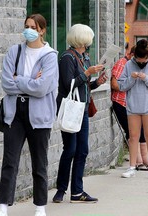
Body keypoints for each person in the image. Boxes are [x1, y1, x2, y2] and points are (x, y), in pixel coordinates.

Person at [0, 14, 59, 216]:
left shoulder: (50, 56)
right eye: (26, 26)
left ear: (42, 30)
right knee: (9, 160)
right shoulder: (14, 52)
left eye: (33, 27)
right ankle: (3, 206)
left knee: (39, 162)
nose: (28, 30)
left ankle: (40, 206)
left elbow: (42, 89)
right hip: (15, 113)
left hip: (39, 115)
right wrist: (30, 81)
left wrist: (20, 80)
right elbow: (6, 84)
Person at [52, 24, 107, 204]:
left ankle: (77, 191)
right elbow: (67, 85)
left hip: (81, 108)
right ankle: (61, 190)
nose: (91, 41)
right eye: (89, 38)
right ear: (83, 39)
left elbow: (84, 86)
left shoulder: (85, 57)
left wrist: (97, 82)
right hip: (70, 109)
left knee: (82, 150)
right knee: (70, 149)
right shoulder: (67, 57)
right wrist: (86, 73)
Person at [118, 39, 148, 179]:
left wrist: (147, 78)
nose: (140, 62)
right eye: (137, 60)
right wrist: (132, 79)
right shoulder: (129, 65)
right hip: (133, 106)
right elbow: (121, 86)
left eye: (143, 60)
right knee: (133, 137)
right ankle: (132, 167)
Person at [110, 46, 148, 168]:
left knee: (141, 130)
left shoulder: (135, 65)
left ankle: (145, 159)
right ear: (132, 55)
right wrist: (128, 84)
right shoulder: (122, 63)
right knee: (132, 131)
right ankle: (137, 160)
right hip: (121, 102)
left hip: (132, 103)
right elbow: (114, 83)